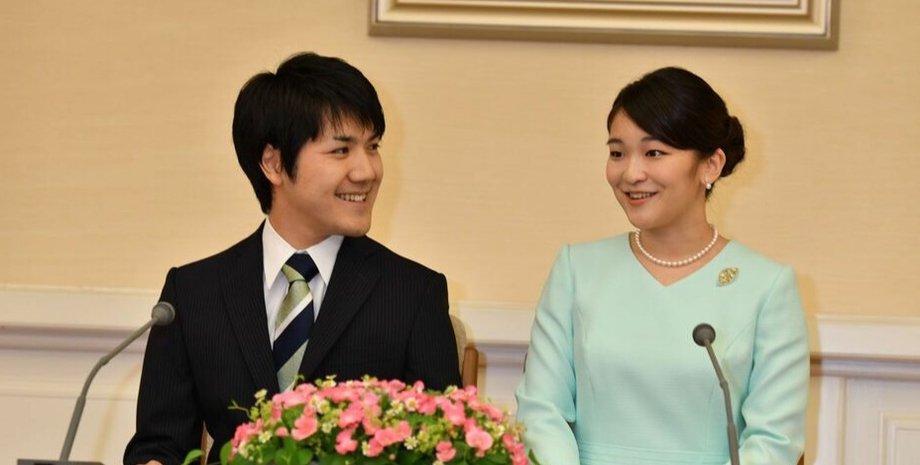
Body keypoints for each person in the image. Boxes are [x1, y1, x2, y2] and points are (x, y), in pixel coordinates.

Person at [124, 52, 461, 465]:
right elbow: (159, 445)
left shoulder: (413, 294)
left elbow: (443, 449)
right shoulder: (193, 294)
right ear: (274, 163)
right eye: (341, 150)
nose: (367, 171)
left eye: (372, 147)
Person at [515, 67, 809, 465]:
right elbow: (540, 413)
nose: (631, 173)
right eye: (617, 153)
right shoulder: (576, 269)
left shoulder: (768, 286)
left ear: (710, 165)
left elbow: (773, 441)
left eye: (654, 153)